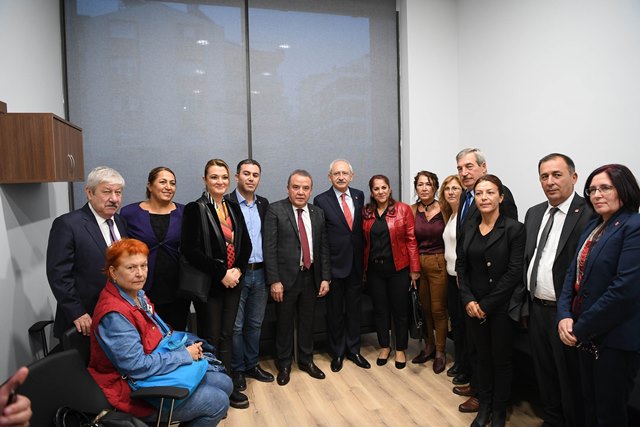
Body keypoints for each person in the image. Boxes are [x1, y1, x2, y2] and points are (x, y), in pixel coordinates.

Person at [88, 239, 232, 426]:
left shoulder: (137, 294)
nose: (140, 274)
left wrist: (185, 346)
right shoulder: (114, 315)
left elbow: (160, 335)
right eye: (131, 268)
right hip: (134, 392)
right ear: (113, 272)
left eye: (143, 266)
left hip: (155, 370)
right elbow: (136, 367)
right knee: (218, 401)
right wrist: (184, 355)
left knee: (225, 383)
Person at [557, 164, 640, 427]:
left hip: (614, 339)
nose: (596, 195)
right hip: (586, 336)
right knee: (590, 406)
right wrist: (564, 315)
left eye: (605, 188)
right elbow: (572, 274)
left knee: (609, 414)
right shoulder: (593, 225)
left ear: (624, 190)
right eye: (592, 190)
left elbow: (623, 290)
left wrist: (580, 327)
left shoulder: (634, 226)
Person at [523, 154, 593, 427]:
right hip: (536, 308)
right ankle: (552, 420)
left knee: (571, 378)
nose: (550, 181)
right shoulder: (534, 213)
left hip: (568, 314)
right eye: (544, 176)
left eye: (557, 174)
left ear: (574, 178)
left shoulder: (589, 213)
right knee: (544, 373)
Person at [180, 159, 252, 409]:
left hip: (234, 282)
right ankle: (212, 386)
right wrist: (222, 273)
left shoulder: (232, 207)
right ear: (205, 180)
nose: (220, 182)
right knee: (211, 336)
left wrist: (238, 270)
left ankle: (227, 384)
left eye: (223, 177)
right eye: (214, 177)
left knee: (227, 334)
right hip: (210, 284)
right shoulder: (195, 208)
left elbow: (246, 244)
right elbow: (190, 250)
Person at [457, 174, 525, 427]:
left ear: (501, 197)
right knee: (482, 359)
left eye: (490, 192)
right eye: (479, 193)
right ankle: (484, 406)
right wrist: (468, 300)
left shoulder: (514, 229)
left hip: (500, 308)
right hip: (473, 307)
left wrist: (485, 305)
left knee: (501, 361)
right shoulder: (469, 228)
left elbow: (514, 272)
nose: (484, 198)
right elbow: (461, 267)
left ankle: (499, 411)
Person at [263, 169, 331, 386]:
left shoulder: (317, 213)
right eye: (296, 187)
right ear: (288, 189)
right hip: (285, 280)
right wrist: (274, 280)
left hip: (311, 277)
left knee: (308, 322)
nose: (300, 192)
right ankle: (284, 363)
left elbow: (323, 248)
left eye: (305, 188)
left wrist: (325, 277)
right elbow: (269, 248)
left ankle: (306, 360)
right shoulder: (275, 210)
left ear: (311, 190)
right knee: (283, 323)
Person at [47, 166, 127, 338]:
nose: (114, 199)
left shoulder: (120, 222)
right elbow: (59, 274)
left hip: (116, 315)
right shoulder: (68, 225)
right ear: (89, 193)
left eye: (118, 192)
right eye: (107, 192)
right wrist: (77, 312)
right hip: (85, 319)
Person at [313, 159, 370, 372]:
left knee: (354, 310)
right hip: (335, 265)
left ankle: (354, 350)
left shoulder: (359, 196)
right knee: (335, 312)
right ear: (330, 177)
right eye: (336, 173)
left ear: (351, 176)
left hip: (355, 264)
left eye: (345, 173)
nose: (341, 177)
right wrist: (325, 272)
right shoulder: (321, 200)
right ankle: (337, 352)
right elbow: (321, 238)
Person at [120, 166, 190, 330]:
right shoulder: (129, 213)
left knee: (176, 334)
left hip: (177, 289)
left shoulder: (185, 212)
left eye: (172, 183)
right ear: (150, 186)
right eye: (163, 182)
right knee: (146, 334)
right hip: (141, 288)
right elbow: (122, 251)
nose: (168, 187)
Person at [225, 159, 274, 391]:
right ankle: (237, 369)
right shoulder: (226, 203)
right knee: (236, 326)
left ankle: (252, 364)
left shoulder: (264, 204)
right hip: (238, 274)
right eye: (246, 173)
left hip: (261, 273)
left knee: (255, 324)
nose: (251, 178)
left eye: (255, 175)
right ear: (237, 177)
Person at [362, 174, 420, 370]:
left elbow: (411, 240)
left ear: (390, 189)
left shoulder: (403, 209)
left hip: (398, 269)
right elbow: (363, 242)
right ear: (372, 192)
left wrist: (414, 269)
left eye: (384, 187)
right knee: (380, 311)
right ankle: (384, 347)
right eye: (376, 189)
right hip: (374, 270)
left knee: (400, 310)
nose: (381, 192)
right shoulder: (367, 213)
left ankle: (401, 348)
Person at [410, 171, 448, 374]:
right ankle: (429, 347)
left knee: (438, 309)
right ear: (416, 187)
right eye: (420, 184)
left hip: (439, 261)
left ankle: (441, 351)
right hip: (418, 264)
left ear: (435, 187)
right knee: (424, 309)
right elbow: (409, 241)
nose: (424, 188)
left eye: (429, 184)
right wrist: (413, 269)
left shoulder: (445, 209)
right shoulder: (411, 210)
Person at [439, 175, 467, 382]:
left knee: (465, 326)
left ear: (463, 192)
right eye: (447, 189)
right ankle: (459, 362)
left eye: (455, 188)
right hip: (450, 275)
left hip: (461, 278)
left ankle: (466, 367)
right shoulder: (450, 215)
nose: (450, 192)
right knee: (456, 323)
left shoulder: (465, 216)